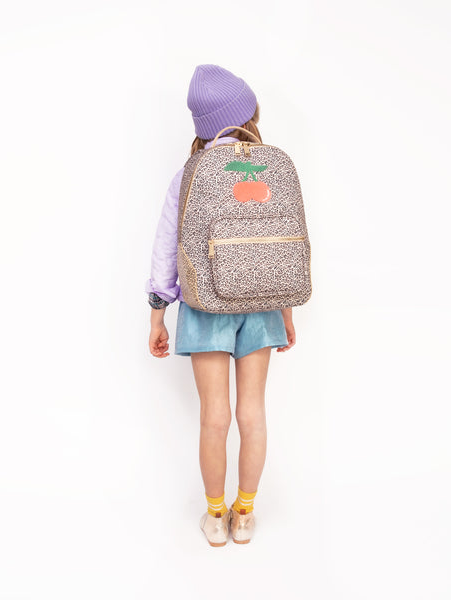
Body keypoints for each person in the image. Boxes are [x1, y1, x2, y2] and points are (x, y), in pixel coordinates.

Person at [145, 64, 296, 547]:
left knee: (215, 415)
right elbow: (281, 244)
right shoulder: (269, 166)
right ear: (247, 116)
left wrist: (158, 312)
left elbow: (166, 247)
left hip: (205, 304)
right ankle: (245, 514)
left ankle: (215, 517)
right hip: (263, 304)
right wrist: (286, 310)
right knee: (253, 414)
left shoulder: (190, 175)